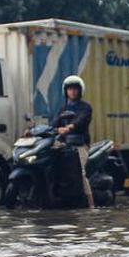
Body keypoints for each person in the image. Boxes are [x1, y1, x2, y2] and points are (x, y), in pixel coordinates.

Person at [52, 74, 94, 208]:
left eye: (75, 88)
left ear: (80, 90)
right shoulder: (63, 109)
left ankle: (91, 204)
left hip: (79, 144)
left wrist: (69, 127)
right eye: (70, 89)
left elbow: (81, 120)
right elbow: (53, 123)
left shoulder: (85, 107)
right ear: (66, 91)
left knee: (81, 172)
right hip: (64, 144)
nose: (73, 91)